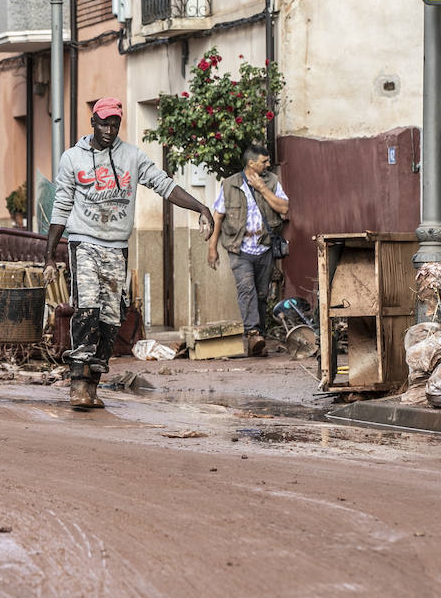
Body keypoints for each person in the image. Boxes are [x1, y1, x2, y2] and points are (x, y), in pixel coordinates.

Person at [44, 97, 214, 410]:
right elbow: (61, 205)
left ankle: (93, 381)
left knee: (111, 318)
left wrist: (201, 207)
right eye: (104, 123)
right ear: (93, 122)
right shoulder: (72, 158)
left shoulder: (132, 156)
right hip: (83, 243)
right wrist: (49, 255)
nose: (109, 130)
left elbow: (164, 184)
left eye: (114, 124)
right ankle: (78, 383)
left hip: (117, 247)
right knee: (87, 308)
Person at [206, 143, 289, 357]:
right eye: (264, 161)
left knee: (261, 295)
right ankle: (253, 333)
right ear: (251, 163)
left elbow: (284, 208)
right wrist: (212, 247)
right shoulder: (230, 184)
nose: (268, 165)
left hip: (264, 248)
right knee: (246, 290)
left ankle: (257, 339)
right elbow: (218, 216)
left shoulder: (271, 181)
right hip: (239, 248)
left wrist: (263, 188)